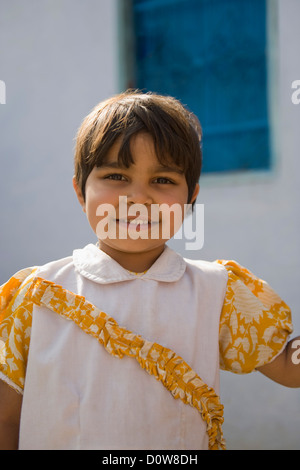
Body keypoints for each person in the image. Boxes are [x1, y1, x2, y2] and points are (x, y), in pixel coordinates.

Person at [0, 90, 299, 450]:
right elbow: (6, 418)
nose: (139, 198)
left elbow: (287, 364)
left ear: (190, 200)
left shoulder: (218, 292)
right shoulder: (36, 295)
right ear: (81, 191)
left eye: (163, 181)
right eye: (116, 176)